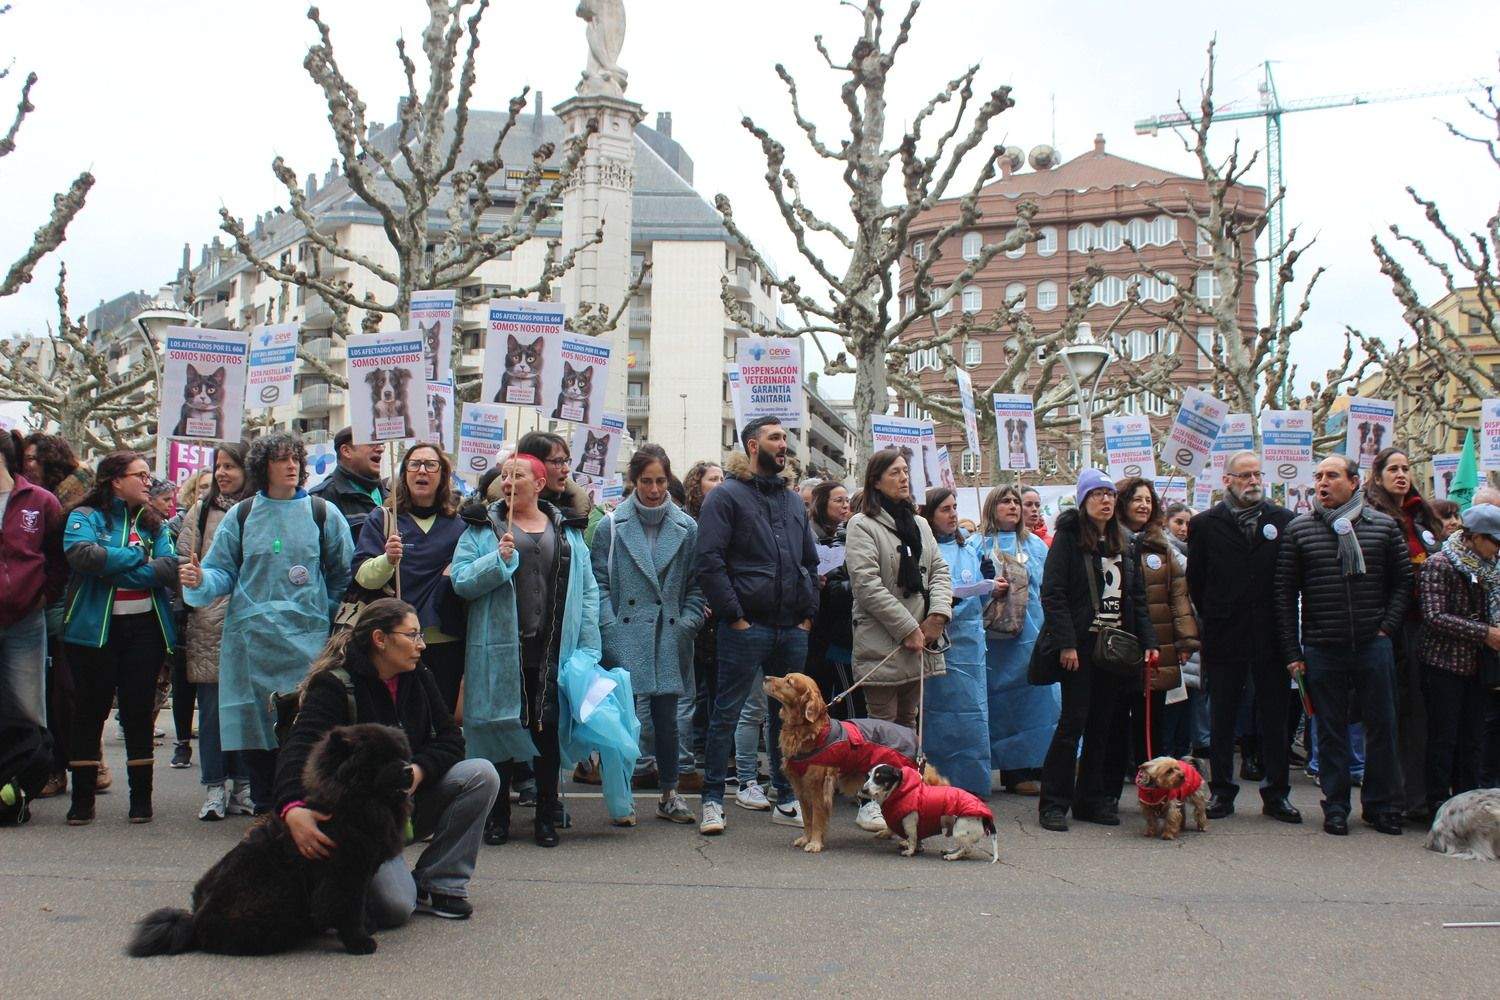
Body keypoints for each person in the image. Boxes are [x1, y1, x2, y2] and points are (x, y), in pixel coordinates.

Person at [274, 598, 499, 923]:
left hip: (402, 807)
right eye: (412, 635)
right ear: (380, 639)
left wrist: (418, 772)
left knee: (481, 774)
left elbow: (451, 739)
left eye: (420, 635)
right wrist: (292, 809)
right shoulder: (335, 684)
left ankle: (439, 883)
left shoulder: (418, 675)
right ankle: (336, 887)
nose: (421, 645)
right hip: (357, 823)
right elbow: (297, 752)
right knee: (394, 907)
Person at [180, 432, 353, 815]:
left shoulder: (322, 514)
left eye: (295, 458)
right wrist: (198, 581)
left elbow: (342, 572)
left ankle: (302, 807)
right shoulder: (241, 516)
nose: (291, 466)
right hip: (251, 644)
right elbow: (220, 573)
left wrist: (319, 613)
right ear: (263, 467)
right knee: (258, 733)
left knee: (304, 728)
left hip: (307, 644)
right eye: (281, 459)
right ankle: (265, 808)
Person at [452, 454, 600, 848]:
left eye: (518, 475)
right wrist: (495, 561)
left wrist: (588, 645)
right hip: (499, 651)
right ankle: (497, 814)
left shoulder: (567, 530)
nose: (508, 482)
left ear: (539, 483)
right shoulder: (481, 529)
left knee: (547, 729)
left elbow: (587, 591)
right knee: (499, 727)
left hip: (551, 648)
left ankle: (546, 814)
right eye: (503, 475)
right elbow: (462, 582)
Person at [693, 416, 820, 836]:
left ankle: (785, 795)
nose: (784, 444)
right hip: (748, 627)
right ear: (752, 445)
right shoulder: (726, 496)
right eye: (775, 438)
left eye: (785, 438)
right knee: (726, 712)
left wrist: (807, 615)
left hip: (791, 627)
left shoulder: (790, 498)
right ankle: (712, 799)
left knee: (787, 717)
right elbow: (709, 561)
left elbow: (809, 560)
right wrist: (736, 616)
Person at [1275, 455, 1411, 836]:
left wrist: (1386, 628)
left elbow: (1402, 584)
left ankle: (1381, 806)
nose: (1322, 482)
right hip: (1322, 646)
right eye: (1318, 476)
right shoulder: (1300, 530)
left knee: (1381, 727)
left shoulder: (1383, 527)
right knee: (1330, 731)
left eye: (1331, 476)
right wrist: (1292, 652)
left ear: (1353, 482)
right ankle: (1335, 806)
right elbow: (1285, 595)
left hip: (1373, 644)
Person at [1035, 470, 1157, 832]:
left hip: (1116, 647)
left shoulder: (1124, 542)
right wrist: (1067, 642)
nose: (1105, 500)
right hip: (1082, 646)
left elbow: (1136, 597)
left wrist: (1149, 642)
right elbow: (1053, 593)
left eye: (1109, 494)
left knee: (1103, 726)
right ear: (1084, 500)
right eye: (1097, 494)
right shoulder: (1069, 538)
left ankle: (1091, 799)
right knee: (1073, 723)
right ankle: (1054, 803)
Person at [61, 451, 179, 824]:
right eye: (141, 475)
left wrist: (115, 566)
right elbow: (82, 556)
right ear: (115, 480)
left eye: (149, 476)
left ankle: (141, 801)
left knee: (138, 712)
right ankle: (82, 801)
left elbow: (167, 567)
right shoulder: (84, 517)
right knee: (90, 711)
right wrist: (134, 556)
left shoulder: (155, 524)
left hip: (144, 630)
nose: (149, 482)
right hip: (93, 632)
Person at [591, 449, 704, 825]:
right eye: (646, 481)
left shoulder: (687, 527)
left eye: (659, 481)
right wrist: (609, 627)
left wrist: (688, 623)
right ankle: (622, 795)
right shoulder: (611, 526)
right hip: (625, 631)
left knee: (667, 719)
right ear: (633, 482)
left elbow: (696, 584)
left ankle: (670, 793)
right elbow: (600, 584)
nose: (654, 490)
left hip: (669, 633)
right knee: (624, 719)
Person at [1186, 451, 1300, 822]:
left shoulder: (1284, 520)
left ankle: (1277, 792)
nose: (1253, 481)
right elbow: (1197, 582)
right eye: (1245, 475)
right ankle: (1222, 791)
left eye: (1257, 474)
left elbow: (1291, 578)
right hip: (1225, 633)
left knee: (1274, 717)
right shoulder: (1205, 524)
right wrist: (1218, 612)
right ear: (1227, 481)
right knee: (1222, 717)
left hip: (1271, 635)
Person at [352, 444, 468, 714]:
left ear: (443, 475)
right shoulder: (383, 519)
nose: (422, 471)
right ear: (404, 473)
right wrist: (387, 560)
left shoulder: (460, 525)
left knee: (439, 716)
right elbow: (363, 577)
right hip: (394, 641)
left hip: (445, 642)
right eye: (414, 464)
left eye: (431, 465)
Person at [1105, 477, 1198, 806]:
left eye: (1148, 500)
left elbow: (1178, 595)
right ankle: (1109, 793)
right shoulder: (1108, 540)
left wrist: (1185, 639)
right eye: (1136, 499)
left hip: (1157, 649)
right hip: (1118, 648)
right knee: (1115, 723)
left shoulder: (1162, 546)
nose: (1143, 505)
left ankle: (1155, 796)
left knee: (1152, 724)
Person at [174, 442, 254, 820]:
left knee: (248, 711)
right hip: (209, 622)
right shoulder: (200, 511)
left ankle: (245, 785)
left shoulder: (261, 510)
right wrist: (194, 581)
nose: (222, 473)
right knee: (211, 712)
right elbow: (184, 558)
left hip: (251, 623)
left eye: (231, 466)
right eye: (218, 466)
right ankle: (213, 787)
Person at [845, 450, 953, 729]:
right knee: (884, 728)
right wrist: (908, 629)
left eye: (905, 471)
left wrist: (938, 616)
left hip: (922, 635)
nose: (904, 478)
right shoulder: (862, 524)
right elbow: (866, 585)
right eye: (895, 472)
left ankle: (906, 775)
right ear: (876, 481)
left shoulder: (920, 524)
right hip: (883, 641)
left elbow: (939, 571)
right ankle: (884, 775)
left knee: (909, 722)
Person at [1363, 447, 1443, 822]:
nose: (1402, 475)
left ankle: (1420, 797)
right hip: (1389, 627)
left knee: (1421, 716)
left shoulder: (1420, 517)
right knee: (1391, 715)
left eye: (1406, 468)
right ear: (1377, 476)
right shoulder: (1374, 518)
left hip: (1425, 626)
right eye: (1393, 469)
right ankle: (1390, 799)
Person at [1416, 504, 1500, 818]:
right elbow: (1435, 617)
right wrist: (1485, 633)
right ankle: (1439, 805)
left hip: (1481, 668)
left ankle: (1469, 807)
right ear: (1474, 537)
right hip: (1444, 666)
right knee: (1443, 739)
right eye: (1494, 541)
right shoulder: (1439, 564)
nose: (1497, 549)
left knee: (1474, 740)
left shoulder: (1493, 569)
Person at [22, 433, 88, 796]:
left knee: (64, 693)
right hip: (51, 605)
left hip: (67, 605)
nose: (27, 464)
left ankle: (65, 769)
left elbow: (62, 557)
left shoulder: (62, 499)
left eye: (34, 457)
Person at [978, 485, 1055, 796]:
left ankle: (1030, 767)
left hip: (1033, 637)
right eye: (1005, 501)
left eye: (1015, 501)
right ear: (992, 506)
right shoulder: (975, 544)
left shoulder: (1035, 545)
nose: (1012, 506)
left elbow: (1049, 588)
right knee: (1000, 706)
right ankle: (1002, 768)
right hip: (994, 644)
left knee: (1035, 704)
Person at [919, 488, 993, 798]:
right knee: (936, 714)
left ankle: (972, 784)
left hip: (970, 644)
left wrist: (991, 583)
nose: (952, 515)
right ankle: (934, 782)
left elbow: (984, 599)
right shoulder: (925, 550)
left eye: (954, 508)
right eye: (945, 509)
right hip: (939, 642)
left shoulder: (971, 548)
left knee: (972, 713)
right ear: (930, 515)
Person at [0, 429, 65, 738]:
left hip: (26, 621)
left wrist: (44, 595)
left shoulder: (41, 501)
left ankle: (28, 777)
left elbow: (59, 557)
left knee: (28, 709)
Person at [675, 459, 726, 793]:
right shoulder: (688, 524)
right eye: (712, 479)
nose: (720, 483)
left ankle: (712, 750)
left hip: (718, 614)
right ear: (697, 484)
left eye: (723, 478)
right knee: (692, 689)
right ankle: (688, 753)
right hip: (695, 616)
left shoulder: (725, 517)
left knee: (717, 686)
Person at [308, 426, 387, 546]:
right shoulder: (321, 499)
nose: (380, 449)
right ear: (346, 451)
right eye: (371, 443)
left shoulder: (391, 494)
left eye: (380, 443)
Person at [517, 431, 594, 519]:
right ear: (534, 464)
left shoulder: (575, 512)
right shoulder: (503, 514)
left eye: (566, 461)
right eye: (558, 461)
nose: (567, 469)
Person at [22, 433, 92, 511]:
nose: (25, 466)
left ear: (50, 460)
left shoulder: (79, 488)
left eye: (30, 458)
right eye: (23, 460)